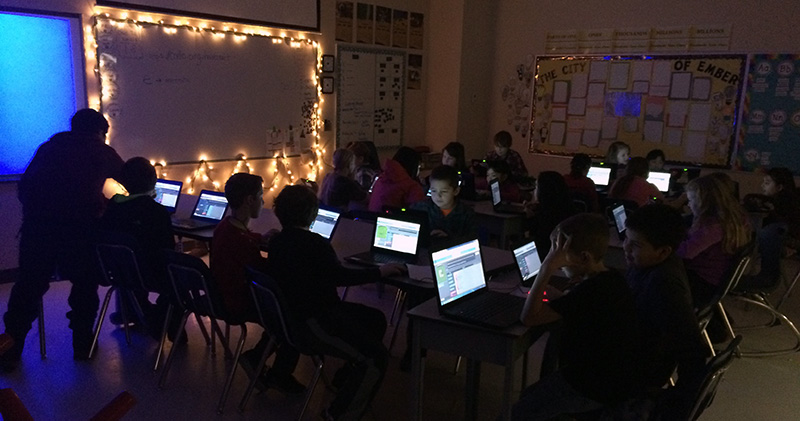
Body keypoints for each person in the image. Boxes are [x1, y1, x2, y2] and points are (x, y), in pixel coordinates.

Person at [266, 185, 405, 420]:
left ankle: (347, 379)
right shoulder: (315, 243)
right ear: (313, 214)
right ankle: (337, 414)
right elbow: (340, 278)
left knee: (375, 319)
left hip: (292, 318)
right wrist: (381, 273)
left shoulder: (277, 243)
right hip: (313, 322)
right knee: (376, 358)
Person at [2, 109, 124, 368]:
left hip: (37, 231)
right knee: (84, 287)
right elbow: (127, 185)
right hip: (79, 233)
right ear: (100, 132)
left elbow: (25, 187)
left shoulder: (49, 147)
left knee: (27, 289)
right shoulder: (100, 151)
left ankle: (10, 349)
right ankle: (83, 346)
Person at [512, 213, 641, 420]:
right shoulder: (612, 278)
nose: (557, 262)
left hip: (593, 386)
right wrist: (563, 296)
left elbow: (529, 318)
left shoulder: (589, 292)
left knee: (518, 413)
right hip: (613, 378)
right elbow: (578, 304)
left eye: (560, 256)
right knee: (530, 395)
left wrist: (546, 268)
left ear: (584, 258)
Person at [210, 173, 303, 395]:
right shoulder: (242, 241)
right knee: (291, 315)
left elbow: (242, 244)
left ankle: (258, 358)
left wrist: (259, 239)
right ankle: (278, 374)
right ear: (249, 200)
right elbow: (264, 272)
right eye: (261, 196)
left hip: (222, 296)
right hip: (238, 300)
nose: (263, 201)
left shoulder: (225, 227)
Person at [624, 204, 709, 419]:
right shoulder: (649, 265)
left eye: (635, 245)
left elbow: (694, 354)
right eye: (626, 239)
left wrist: (672, 408)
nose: (625, 248)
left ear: (663, 251)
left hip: (633, 372)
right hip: (632, 349)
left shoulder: (664, 286)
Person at [101, 157, 176, 337]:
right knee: (179, 279)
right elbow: (168, 252)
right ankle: (161, 323)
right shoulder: (156, 212)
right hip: (149, 274)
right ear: (153, 180)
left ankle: (140, 314)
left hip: (118, 272)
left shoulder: (112, 207)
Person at [677, 174, 751, 308]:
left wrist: (663, 245)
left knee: (658, 274)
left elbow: (686, 253)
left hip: (704, 283)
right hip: (714, 278)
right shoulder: (730, 218)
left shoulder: (714, 227)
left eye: (691, 200)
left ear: (703, 201)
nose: (688, 204)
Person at [411, 165, 476, 247]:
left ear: (456, 191)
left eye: (444, 191)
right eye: (433, 191)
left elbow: (472, 242)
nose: (438, 196)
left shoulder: (466, 214)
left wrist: (449, 238)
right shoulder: (420, 208)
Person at [524, 171, 576, 260]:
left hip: (545, 257)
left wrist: (529, 217)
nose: (534, 190)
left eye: (536, 187)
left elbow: (535, 238)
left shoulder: (544, 216)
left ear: (543, 191)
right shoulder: (567, 208)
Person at [744, 167, 800, 247]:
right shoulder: (770, 201)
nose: (762, 185)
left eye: (767, 183)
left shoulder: (787, 205)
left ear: (779, 187)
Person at [368, 146, 426, 212]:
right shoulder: (410, 185)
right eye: (419, 167)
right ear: (414, 166)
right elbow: (420, 210)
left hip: (371, 219)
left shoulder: (382, 177)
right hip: (392, 220)